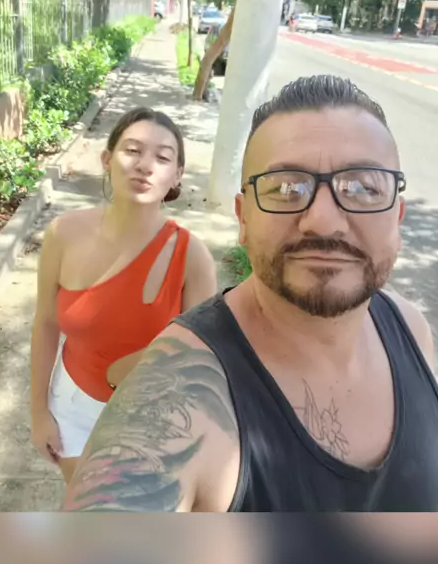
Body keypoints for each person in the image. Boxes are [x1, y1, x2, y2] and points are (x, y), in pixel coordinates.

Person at [63, 75, 437, 512]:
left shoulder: (411, 329)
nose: (323, 221)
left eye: (362, 187)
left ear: (397, 217)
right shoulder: (180, 395)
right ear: (243, 218)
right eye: (286, 188)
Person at [30, 106, 217, 483]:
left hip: (149, 419)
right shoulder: (62, 234)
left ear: (177, 174)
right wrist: (38, 412)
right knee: (85, 503)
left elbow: (200, 362)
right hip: (71, 407)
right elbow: (46, 324)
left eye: (162, 157)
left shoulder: (192, 258)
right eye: (132, 150)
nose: (145, 165)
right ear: (107, 159)